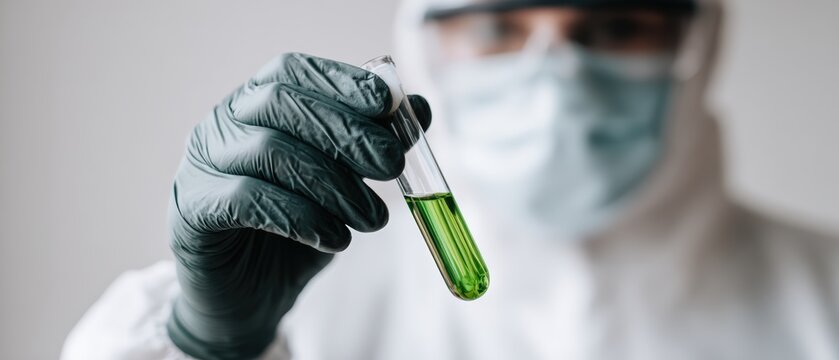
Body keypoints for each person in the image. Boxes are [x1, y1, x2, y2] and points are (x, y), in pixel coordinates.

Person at [62, 0, 839, 359]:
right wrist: (204, 347)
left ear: (693, 44)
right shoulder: (315, 305)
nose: (556, 72)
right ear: (425, 44)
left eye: (612, 25)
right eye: (499, 24)